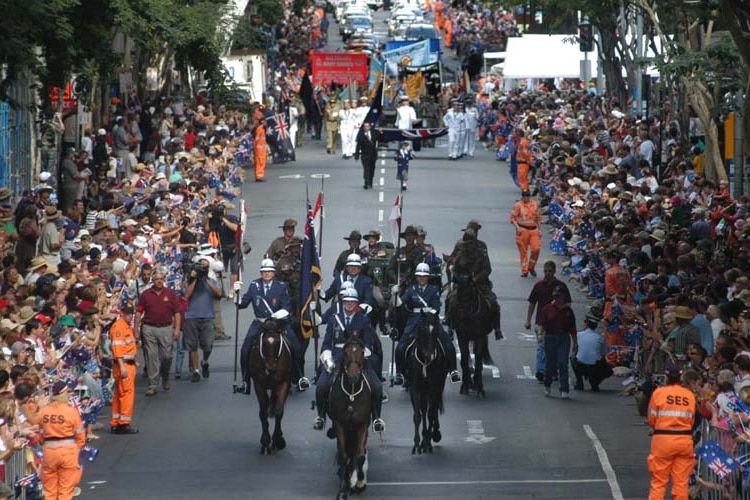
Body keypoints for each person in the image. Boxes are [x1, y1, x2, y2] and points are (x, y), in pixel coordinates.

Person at [313, 288, 385, 433]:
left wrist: (363, 354)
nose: (349, 304)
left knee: (377, 386)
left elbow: (369, 341)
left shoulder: (363, 320)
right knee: (321, 385)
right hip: (337, 356)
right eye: (347, 301)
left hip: (358, 357)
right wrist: (326, 356)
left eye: (352, 301)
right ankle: (321, 416)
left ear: (356, 303)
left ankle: (377, 418)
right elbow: (327, 342)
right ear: (343, 302)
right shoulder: (334, 319)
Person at [234, 259, 311, 392]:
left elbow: (287, 307)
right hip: (261, 322)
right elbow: (243, 304)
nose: (267, 274)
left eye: (269, 271)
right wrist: (237, 294)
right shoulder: (254, 286)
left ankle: (300, 378)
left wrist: (275, 317)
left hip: (278, 322)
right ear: (261, 273)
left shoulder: (281, 286)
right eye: (264, 272)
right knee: (245, 350)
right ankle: (245, 382)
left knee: (297, 348)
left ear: (274, 273)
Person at [394, 263, 460, 386]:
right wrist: (395, 294)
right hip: (414, 320)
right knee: (401, 346)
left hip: (430, 319)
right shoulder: (411, 290)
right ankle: (400, 373)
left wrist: (430, 315)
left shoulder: (433, 290)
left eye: (424, 276)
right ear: (416, 277)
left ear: (428, 277)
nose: (422, 278)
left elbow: (436, 307)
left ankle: (453, 371)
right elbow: (399, 304)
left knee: (447, 343)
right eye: (419, 276)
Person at [647, 364, 696, 500]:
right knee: (681, 483)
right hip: (684, 441)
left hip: (663, 441)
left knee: (659, 482)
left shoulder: (659, 393)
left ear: (666, 377)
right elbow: (691, 420)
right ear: (681, 377)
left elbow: (652, 418)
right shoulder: (689, 395)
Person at [448, 227, 502, 338]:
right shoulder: (460, 255)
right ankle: (450, 325)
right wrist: (459, 278)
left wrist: (476, 278)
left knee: (492, 302)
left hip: (480, 284)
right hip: (463, 285)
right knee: (451, 299)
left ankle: (497, 328)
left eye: (470, 243)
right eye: (466, 244)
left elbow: (487, 269)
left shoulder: (481, 254)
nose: (468, 246)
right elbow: (455, 269)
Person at [135, 268, 182, 396]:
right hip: (149, 328)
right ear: (153, 281)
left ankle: (165, 375)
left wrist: (177, 329)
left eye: (161, 279)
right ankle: (153, 384)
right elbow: (139, 312)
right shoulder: (146, 294)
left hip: (166, 328)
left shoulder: (170, 294)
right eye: (156, 279)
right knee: (151, 357)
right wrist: (136, 330)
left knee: (167, 356)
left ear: (164, 280)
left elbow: (177, 312)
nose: (159, 282)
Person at [38, 381, 86, 500]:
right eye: (68, 392)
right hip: (68, 452)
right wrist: (78, 448)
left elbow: (40, 433)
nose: (70, 394)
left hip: (49, 452)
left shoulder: (44, 412)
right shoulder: (70, 411)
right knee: (66, 488)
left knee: (50, 489)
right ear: (63, 394)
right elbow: (80, 434)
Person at [526, 261, 572, 382]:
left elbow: (568, 303)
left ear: (554, 271)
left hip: (557, 324)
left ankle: (553, 370)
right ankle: (541, 370)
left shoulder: (561, 286)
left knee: (554, 348)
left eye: (550, 271)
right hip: (541, 322)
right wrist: (528, 320)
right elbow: (532, 303)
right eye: (546, 271)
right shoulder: (538, 286)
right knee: (542, 346)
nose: (548, 273)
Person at [184, 257, 223, 383]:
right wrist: (195, 279)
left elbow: (219, 293)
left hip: (207, 316)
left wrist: (206, 280)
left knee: (208, 344)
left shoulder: (212, 280)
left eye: (205, 267)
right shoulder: (190, 281)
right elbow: (186, 296)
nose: (203, 269)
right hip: (192, 316)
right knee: (192, 346)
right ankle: (195, 371)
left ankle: (205, 361)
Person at [537, 286, 577, 398]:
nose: (557, 298)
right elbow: (541, 323)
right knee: (550, 364)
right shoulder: (548, 308)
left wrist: (575, 343)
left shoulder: (568, 311)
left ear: (563, 297)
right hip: (550, 337)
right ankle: (547, 384)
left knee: (563, 362)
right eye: (555, 296)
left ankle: (564, 389)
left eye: (559, 296)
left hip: (563, 337)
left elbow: (572, 328)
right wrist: (540, 334)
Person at [109, 304, 139, 434]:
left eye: (131, 313)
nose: (130, 315)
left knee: (119, 394)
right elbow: (117, 349)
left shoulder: (125, 326)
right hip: (124, 365)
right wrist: (122, 366)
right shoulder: (120, 327)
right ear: (121, 313)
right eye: (127, 313)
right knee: (127, 394)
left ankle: (116, 422)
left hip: (127, 363)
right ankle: (124, 423)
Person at [571, 311, 613, 391]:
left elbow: (575, 350)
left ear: (586, 324)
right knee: (604, 363)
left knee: (573, 357)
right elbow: (604, 353)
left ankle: (580, 382)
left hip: (580, 365)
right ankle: (594, 383)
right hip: (594, 367)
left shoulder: (578, 334)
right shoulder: (599, 338)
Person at [510, 189, 541, 277]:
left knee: (536, 249)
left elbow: (538, 218)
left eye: (527, 196)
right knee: (523, 251)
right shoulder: (518, 205)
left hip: (534, 230)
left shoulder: (534, 204)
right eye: (524, 196)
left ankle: (531, 266)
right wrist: (518, 228)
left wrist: (539, 230)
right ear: (522, 196)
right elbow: (513, 219)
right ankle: (524, 270)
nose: (526, 198)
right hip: (523, 230)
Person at [355, 121, 378, 190]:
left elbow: (379, 139)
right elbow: (358, 145)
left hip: (373, 155)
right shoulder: (361, 135)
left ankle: (370, 182)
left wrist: (381, 132)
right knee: (366, 169)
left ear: (370, 127)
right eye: (365, 126)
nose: (366, 128)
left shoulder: (373, 133)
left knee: (372, 169)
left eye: (367, 126)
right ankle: (366, 183)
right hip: (365, 155)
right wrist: (357, 155)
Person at [253, 117, 267, 182]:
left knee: (262, 163)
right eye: (265, 121)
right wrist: (255, 148)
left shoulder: (263, 129)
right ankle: (259, 176)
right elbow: (257, 139)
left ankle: (260, 176)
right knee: (259, 163)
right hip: (259, 149)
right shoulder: (260, 129)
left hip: (262, 149)